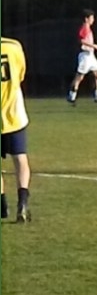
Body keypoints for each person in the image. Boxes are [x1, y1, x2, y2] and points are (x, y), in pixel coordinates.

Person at [1, 37, 32, 223]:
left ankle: (2, 203)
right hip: (14, 113)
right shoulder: (14, 46)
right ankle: (22, 203)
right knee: (20, 159)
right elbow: (20, 75)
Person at [67, 9, 97, 105]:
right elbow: (81, 41)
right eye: (91, 18)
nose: (93, 20)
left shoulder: (88, 28)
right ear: (86, 19)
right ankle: (72, 96)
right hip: (85, 56)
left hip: (90, 55)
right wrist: (95, 46)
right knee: (79, 77)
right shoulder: (84, 28)